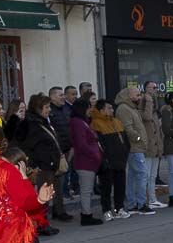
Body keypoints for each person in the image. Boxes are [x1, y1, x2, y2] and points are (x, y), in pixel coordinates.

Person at [16, 94, 65, 235]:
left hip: (48, 164)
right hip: (42, 166)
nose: (49, 110)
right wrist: (36, 163)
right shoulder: (32, 124)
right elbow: (28, 146)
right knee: (42, 197)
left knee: (47, 195)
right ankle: (41, 224)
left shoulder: (42, 121)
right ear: (38, 108)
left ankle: (44, 222)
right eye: (47, 107)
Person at [115, 86, 153, 215]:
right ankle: (141, 204)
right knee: (142, 174)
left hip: (135, 147)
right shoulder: (124, 109)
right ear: (128, 96)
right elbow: (128, 129)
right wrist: (139, 138)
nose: (139, 97)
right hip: (134, 147)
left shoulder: (131, 108)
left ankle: (132, 204)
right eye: (137, 95)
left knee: (132, 176)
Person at [90, 99, 131, 220]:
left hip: (120, 159)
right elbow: (99, 144)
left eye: (112, 108)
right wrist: (104, 158)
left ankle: (119, 208)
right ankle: (106, 209)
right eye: (109, 108)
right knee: (106, 186)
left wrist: (125, 151)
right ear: (101, 110)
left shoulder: (117, 121)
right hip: (107, 160)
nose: (112, 110)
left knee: (120, 185)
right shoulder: (96, 123)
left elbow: (125, 139)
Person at [67, 96, 104, 226]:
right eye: (88, 107)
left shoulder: (82, 121)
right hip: (85, 161)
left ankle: (87, 213)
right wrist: (95, 154)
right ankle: (86, 214)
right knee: (86, 190)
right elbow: (81, 144)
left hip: (89, 161)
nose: (90, 110)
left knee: (87, 189)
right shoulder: (77, 122)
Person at [137, 81, 167, 210]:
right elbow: (147, 117)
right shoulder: (143, 110)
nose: (154, 90)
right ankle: (146, 200)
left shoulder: (155, 112)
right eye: (152, 88)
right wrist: (148, 100)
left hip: (156, 147)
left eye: (155, 88)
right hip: (147, 147)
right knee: (147, 175)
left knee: (153, 175)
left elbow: (159, 132)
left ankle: (153, 198)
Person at [48, 86, 74, 198]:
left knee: (66, 171)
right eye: (61, 95)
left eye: (63, 94)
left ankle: (65, 192)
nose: (63, 97)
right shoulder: (50, 111)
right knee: (60, 175)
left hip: (68, 146)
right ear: (53, 97)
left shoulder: (65, 109)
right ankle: (59, 196)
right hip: (57, 149)